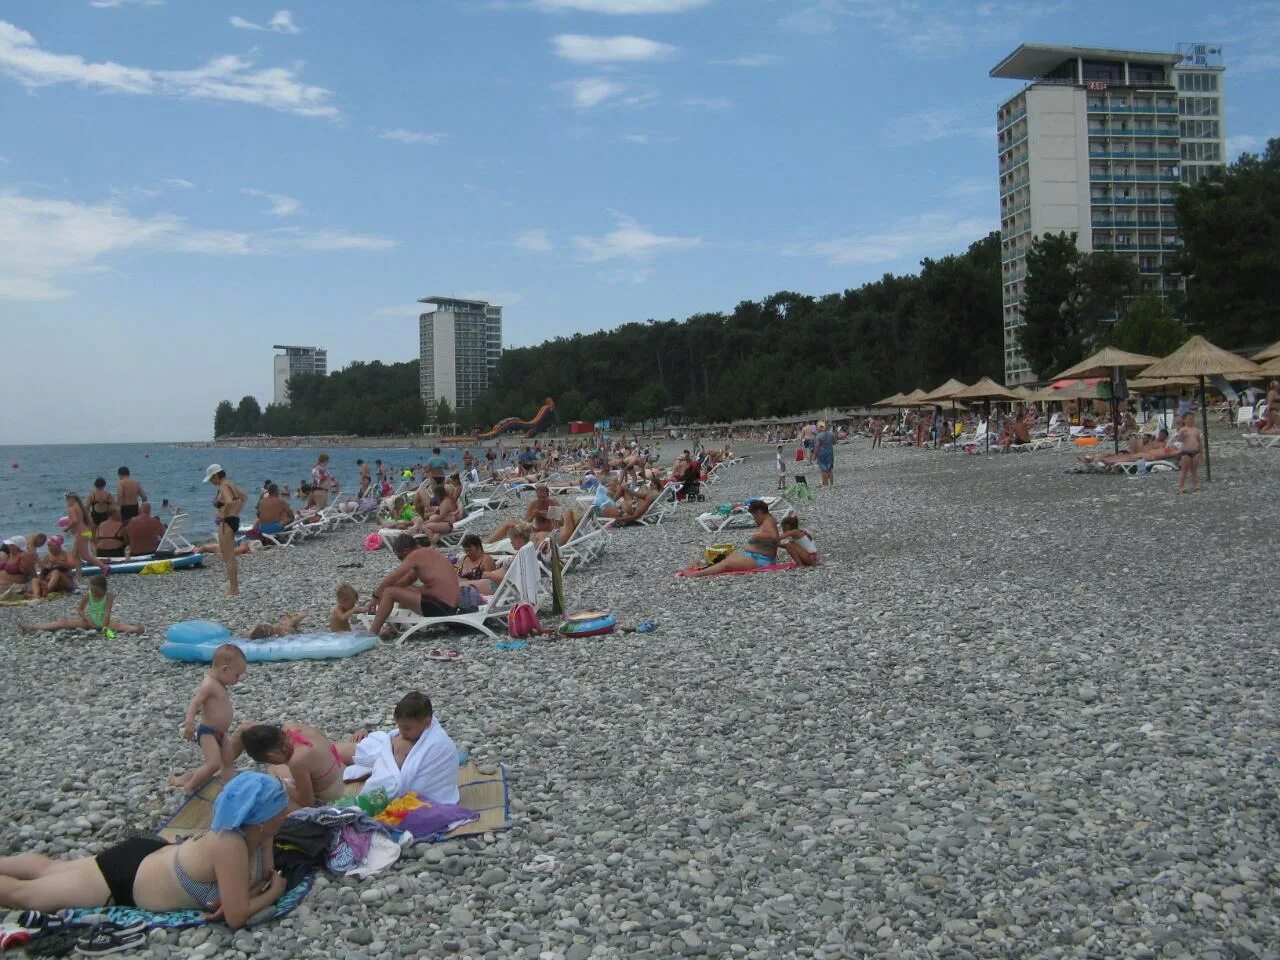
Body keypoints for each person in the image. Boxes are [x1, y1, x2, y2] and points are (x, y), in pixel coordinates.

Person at [0, 772, 289, 929]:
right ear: (262, 819)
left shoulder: (257, 831)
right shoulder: (231, 845)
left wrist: (248, 893)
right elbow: (238, 917)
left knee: (50, 869)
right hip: (124, 878)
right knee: (24, 896)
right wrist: (274, 892)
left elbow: (262, 877)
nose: (286, 813)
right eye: (280, 810)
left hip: (150, 857)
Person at [345, 691, 460, 803]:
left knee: (397, 746)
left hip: (423, 797)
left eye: (407, 728)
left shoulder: (437, 743)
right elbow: (389, 743)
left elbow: (395, 783)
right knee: (364, 747)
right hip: (387, 752)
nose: (402, 732)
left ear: (427, 723)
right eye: (400, 727)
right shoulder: (405, 735)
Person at [168, 643, 246, 794]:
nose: (238, 679)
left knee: (228, 760)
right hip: (208, 732)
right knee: (214, 763)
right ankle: (190, 786)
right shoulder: (209, 684)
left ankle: (230, 785)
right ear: (225, 669)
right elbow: (195, 703)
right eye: (237, 675)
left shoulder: (220, 683)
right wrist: (189, 722)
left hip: (221, 733)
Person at [237, 723, 366, 810]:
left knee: (274, 775)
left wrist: (282, 785)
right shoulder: (295, 728)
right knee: (275, 769)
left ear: (272, 755)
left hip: (340, 797)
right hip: (346, 774)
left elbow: (307, 802)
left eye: (270, 760)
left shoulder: (297, 761)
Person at [367, 536, 461, 634]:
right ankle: (394, 628)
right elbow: (408, 579)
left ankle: (372, 633)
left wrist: (376, 596)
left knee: (389, 592)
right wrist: (388, 593)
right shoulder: (428, 553)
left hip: (441, 607)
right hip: (449, 606)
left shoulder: (415, 555)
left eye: (400, 556)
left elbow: (392, 578)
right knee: (400, 589)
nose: (400, 560)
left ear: (406, 550)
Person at [20, 574, 144, 635]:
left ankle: (136, 629)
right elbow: (79, 609)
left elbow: (107, 612)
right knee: (64, 623)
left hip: (103, 620)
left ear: (104, 589)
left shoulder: (108, 596)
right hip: (89, 620)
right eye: (92, 590)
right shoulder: (88, 595)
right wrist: (87, 619)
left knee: (119, 625)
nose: (94, 592)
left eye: (96, 591)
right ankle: (34, 627)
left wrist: (104, 627)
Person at [684, 500, 779, 578]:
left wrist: (756, 536)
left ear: (759, 512)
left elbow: (774, 536)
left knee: (727, 564)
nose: (754, 519)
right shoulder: (769, 519)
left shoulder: (768, 522)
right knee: (727, 557)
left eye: (754, 516)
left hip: (762, 560)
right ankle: (704, 568)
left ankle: (697, 574)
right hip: (757, 556)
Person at [205, 464, 247, 596]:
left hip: (226, 523)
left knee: (228, 557)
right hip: (233, 520)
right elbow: (244, 497)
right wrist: (236, 511)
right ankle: (234, 587)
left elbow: (228, 502)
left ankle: (233, 589)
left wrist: (224, 514)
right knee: (230, 557)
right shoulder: (231, 484)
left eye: (212, 479)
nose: (211, 482)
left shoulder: (223, 486)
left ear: (217, 475)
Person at [484, 484, 561, 543]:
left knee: (539, 537)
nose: (541, 499)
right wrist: (533, 516)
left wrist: (547, 515)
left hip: (548, 533)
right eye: (539, 497)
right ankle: (487, 543)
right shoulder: (534, 504)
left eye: (544, 497)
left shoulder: (553, 503)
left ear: (548, 495)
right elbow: (525, 522)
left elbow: (562, 523)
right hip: (534, 530)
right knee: (509, 523)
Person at [64, 492, 111, 576]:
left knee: (86, 556)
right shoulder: (79, 506)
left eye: (67, 500)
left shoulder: (71, 508)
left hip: (81, 533)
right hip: (86, 531)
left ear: (72, 499)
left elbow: (74, 521)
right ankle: (79, 574)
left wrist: (67, 528)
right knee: (75, 554)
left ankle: (104, 567)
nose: (67, 502)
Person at [1176, 412, 1202, 494]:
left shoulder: (1196, 429)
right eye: (1190, 419)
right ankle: (1181, 486)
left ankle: (1195, 485)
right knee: (1184, 470)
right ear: (1184, 420)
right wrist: (1182, 434)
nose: (1192, 421)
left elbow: (1199, 441)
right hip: (1186, 451)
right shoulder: (1183, 429)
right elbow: (1179, 440)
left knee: (1194, 470)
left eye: (1193, 419)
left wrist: (1201, 452)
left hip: (1195, 451)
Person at [813, 421, 836, 487]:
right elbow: (834, 442)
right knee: (830, 468)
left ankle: (825, 484)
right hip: (830, 452)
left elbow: (817, 447)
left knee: (823, 469)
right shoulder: (831, 434)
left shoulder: (818, 436)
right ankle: (831, 483)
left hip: (822, 453)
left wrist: (814, 456)